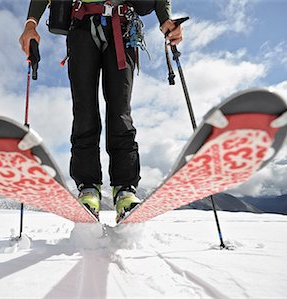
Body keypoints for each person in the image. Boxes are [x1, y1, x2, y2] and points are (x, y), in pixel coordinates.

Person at [19, 0, 183, 222]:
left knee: (120, 111)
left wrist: (166, 20)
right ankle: (88, 188)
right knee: (84, 110)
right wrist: (31, 24)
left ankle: (125, 190)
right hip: (81, 27)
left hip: (123, 28)